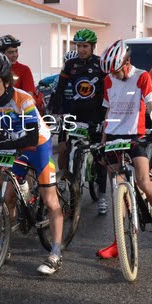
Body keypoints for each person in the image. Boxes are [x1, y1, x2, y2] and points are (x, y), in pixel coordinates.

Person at [0, 52, 65, 275]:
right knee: (8, 197)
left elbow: (30, 138)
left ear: (6, 82)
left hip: (37, 146)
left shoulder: (24, 99)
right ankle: (2, 246)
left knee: (50, 200)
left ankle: (55, 253)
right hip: (13, 146)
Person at [95, 40, 152, 259]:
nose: (113, 75)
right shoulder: (108, 80)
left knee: (143, 180)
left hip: (135, 135)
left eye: (116, 70)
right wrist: (102, 141)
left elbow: (151, 105)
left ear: (127, 62)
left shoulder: (142, 76)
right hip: (113, 136)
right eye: (110, 72)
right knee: (117, 189)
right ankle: (118, 240)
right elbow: (108, 111)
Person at [47, 29, 108, 214]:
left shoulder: (101, 64)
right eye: (78, 46)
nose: (81, 50)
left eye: (85, 46)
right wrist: (55, 111)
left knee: (100, 156)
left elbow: (108, 91)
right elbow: (60, 89)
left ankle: (102, 196)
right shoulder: (70, 65)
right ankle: (69, 183)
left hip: (96, 114)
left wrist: (106, 117)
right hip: (74, 114)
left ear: (92, 47)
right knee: (66, 149)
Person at [0, 34, 44, 112]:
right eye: (10, 52)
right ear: (1, 54)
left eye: (16, 51)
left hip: (19, 111)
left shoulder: (24, 69)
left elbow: (29, 96)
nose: (15, 55)